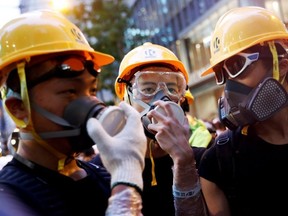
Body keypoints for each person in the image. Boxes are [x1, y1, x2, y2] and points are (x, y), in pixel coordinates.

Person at [0, 10, 147, 215]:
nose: (92, 102)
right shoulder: (8, 197)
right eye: (70, 91)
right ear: (18, 107)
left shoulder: (103, 176)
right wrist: (125, 185)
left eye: (92, 90)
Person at [199, 6, 288, 216]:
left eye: (237, 65)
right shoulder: (217, 162)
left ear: (282, 65)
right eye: (222, 74)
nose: (229, 88)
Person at [112, 42, 208, 215]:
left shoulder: (203, 161)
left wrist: (184, 162)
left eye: (171, 88)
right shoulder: (111, 170)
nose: (162, 99)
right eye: (148, 89)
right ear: (127, 98)